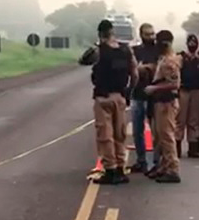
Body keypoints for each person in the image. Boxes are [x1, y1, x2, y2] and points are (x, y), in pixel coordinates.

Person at [78, 19, 138, 184]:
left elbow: (83, 60)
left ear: (100, 34)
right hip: (120, 97)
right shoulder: (126, 51)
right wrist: (128, 92)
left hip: (103, 97)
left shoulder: (99, 51)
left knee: (105, 135)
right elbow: (135, 74)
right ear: (113, 32)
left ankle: (110, 170)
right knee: (120, 135)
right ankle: (120, 168)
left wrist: (97, 45)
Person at [145, 30, 182, 183]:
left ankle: (172, 169)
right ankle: (164, 166)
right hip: (160, 102)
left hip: (167, 102)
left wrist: (155, 89)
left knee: (167, 136)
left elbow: (175, 84)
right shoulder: (163, 59)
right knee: (159, 137)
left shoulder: (170, 61)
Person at [129, 23, 160, 174]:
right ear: (141, 35)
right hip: (138, 94)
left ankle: (157, 162)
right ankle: (141, 161)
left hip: (154, 95)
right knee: (137, 131)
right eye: (147, 34)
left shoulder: (158, 50)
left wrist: (145, 68)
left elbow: (160, 68)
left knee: (156, 131)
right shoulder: (135, 51)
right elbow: (132, 69)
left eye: (152, 34)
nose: (151, 37)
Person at [176, 34, 199, 158]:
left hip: (196, 91)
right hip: (183, 90)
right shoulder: (181, 57)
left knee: (194, 120)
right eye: (190, 43)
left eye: (194, 43)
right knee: (180, 120)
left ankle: (193, 147)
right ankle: (177, 145)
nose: (192, 45)